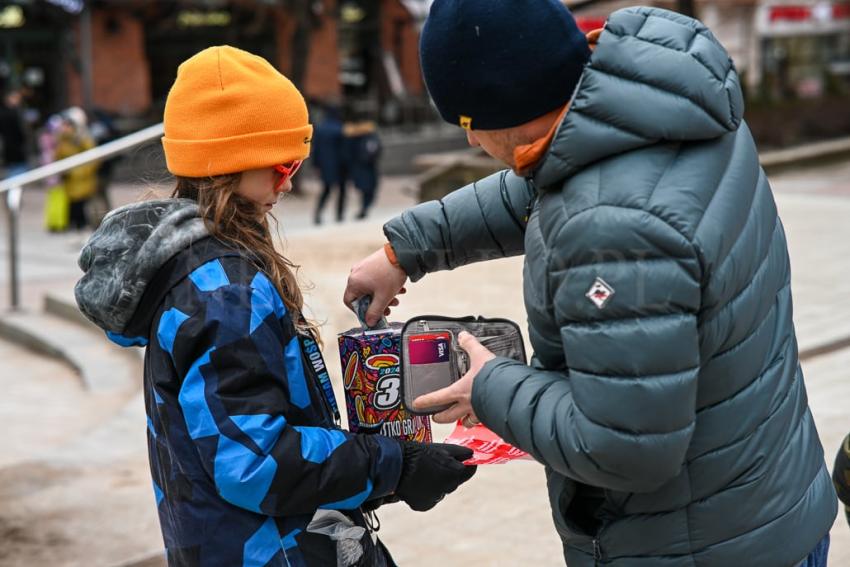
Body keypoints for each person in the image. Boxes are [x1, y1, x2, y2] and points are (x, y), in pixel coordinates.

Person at [343, 3, 837, 566]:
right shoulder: (656, 108)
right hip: (769, 507)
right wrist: (404, 249)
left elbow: (625, 446)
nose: (474, 147)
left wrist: (490, 387)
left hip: (698, 547)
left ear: (498, 111)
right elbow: (533, 191)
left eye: (467, 126)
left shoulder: (611, 227)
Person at [74, 46, 475, 567]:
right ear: (229, 165)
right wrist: (397, 464)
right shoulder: (225, 292)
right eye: (282, 166)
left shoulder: (193, 272)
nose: (288, 184)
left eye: (297, 165)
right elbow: (255, 461)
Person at [56, 108, 98, 232]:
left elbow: (93, 159)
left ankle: (83, 225)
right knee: (72, 204)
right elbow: (59, 156)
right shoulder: (62, 139)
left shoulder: (83, 139)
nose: (64, 127)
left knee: (82, 204)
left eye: (67, 125)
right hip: (69, 178)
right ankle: (74, 226)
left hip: (81, 178)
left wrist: (80, 172)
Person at [312, 104, 347, 224]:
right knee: (342, 190)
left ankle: (318, 214)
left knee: (326, 190)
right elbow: (345, 150)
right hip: (340, 165)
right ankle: (340, 215)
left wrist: (316, 165)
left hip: (325, 165)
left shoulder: (321, 129)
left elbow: (315, 149)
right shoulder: (340, 129)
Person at [343, 119, 381, 220]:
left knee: (367, 190)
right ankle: (364, 208)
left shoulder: (357, 138)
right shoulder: (366, 137)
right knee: (367, 189)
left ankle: (364, 208)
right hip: (365, 167)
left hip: (363, 167)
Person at [0, 89, 29, 178]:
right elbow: (20, 131)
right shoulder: (13, 113)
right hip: (15, 148)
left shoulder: (7, 112)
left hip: (10, 148)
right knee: (18, 173)